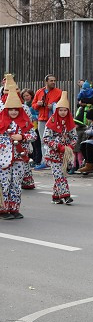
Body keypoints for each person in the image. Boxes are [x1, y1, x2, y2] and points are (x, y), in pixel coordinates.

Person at [0, 76, 33, 219]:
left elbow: (33, 135)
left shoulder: (24, 120)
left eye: (16, 110)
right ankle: (3, 209)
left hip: (20, 157)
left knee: (17, 183)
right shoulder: (2, 120)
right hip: (3, 157)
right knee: (4, 183)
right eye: (11, 110)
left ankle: (14, 208)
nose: (13, 112)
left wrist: (23, 137)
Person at [42, 90, 77, 204]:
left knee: (61, 174)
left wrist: (70, 147)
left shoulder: (70, 122)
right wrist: (57, 146)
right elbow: (46, 138)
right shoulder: (51, 122)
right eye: (60, 110)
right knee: (59, 175)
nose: (63, 112)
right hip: (54, 154)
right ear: (57, 110)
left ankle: (56, 197)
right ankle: (66, 195)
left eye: (65, 110)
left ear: (68, 111)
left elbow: (74, 137)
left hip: (65, 154)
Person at [31, 75, 63, 170]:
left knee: (53, 140)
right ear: (46, 81)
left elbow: (63, 105)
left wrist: (53, 106)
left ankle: (54, 160)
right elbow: (33, 105)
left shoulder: (59, 92)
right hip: (42, 119)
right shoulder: (39, 92)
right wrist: (38, 104)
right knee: (42, 140)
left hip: (53, 120)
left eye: (54, 80)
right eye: (51, 80)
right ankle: (44, 161)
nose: (53, 82)